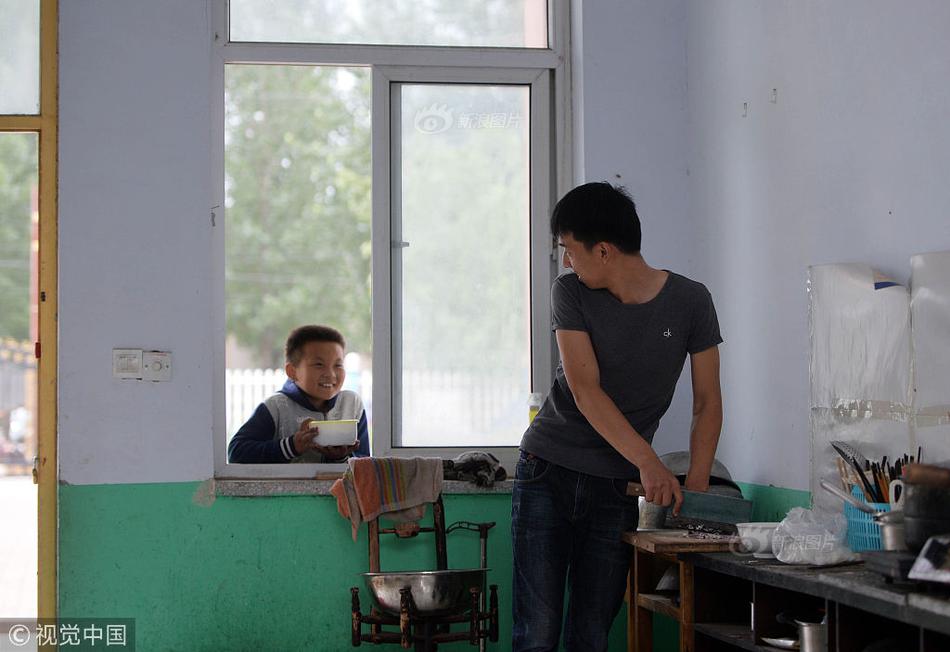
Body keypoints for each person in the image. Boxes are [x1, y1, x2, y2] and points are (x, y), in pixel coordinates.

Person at [511, 182, 723, 651]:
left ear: (603, 250)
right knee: (537, 633)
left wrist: (698, 491)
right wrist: (649, 461)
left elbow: (707, 402)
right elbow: (585, 391)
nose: (567, 262)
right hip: (547, 472)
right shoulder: (570, 292)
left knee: (591, 635)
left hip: (615, 488)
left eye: (570, 250)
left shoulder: (692, 301)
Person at [228, 324, 370, 463]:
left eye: (338, 365)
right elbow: (236, 453)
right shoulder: (277, 407)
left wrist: (340, 458)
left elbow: (364, 460)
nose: (331, 374)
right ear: (292, 371)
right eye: (319, 364)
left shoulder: (352, 404)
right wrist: (291, 446)